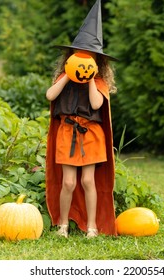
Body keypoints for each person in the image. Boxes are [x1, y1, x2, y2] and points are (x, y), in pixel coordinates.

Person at [45, 0, 117, 238]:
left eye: (90, 58)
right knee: (68, 183)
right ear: (71, 56)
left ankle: (93, 227)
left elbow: (97, 104)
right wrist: (67, 74)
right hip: (68, 132)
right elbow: (50, 95)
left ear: (97, 62)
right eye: (79, 56)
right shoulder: (63, 79)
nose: (84, 60)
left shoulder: (98, 83)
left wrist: (89, 78)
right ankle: (63, 225)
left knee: (88, 181)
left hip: (91, 134)